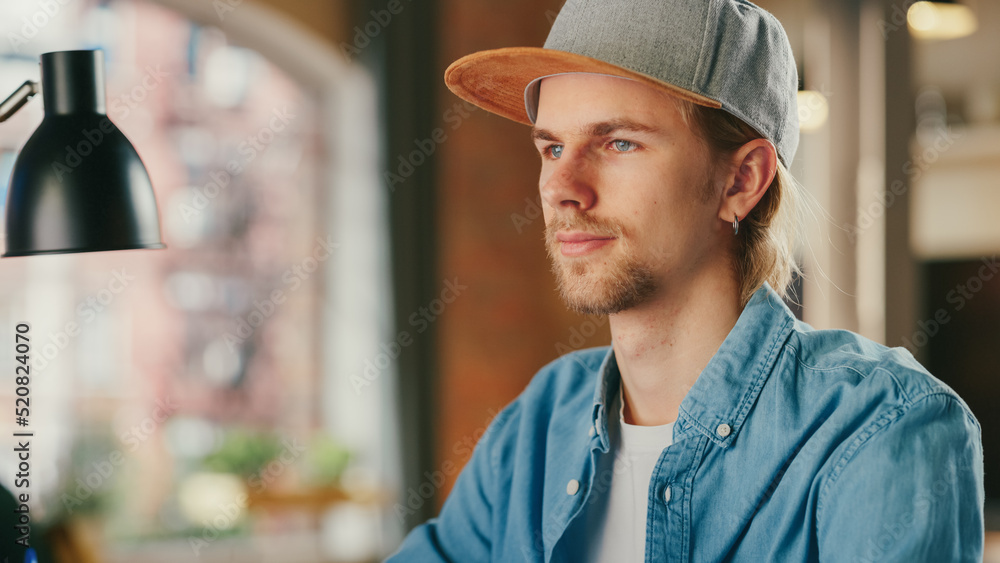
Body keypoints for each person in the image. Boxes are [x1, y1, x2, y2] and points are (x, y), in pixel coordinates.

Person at [388, 0, 985, 561]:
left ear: (742, 180)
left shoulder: (882, 425)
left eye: (619, 142)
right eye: (551, 147)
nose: (560, 188)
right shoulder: (539, 422)